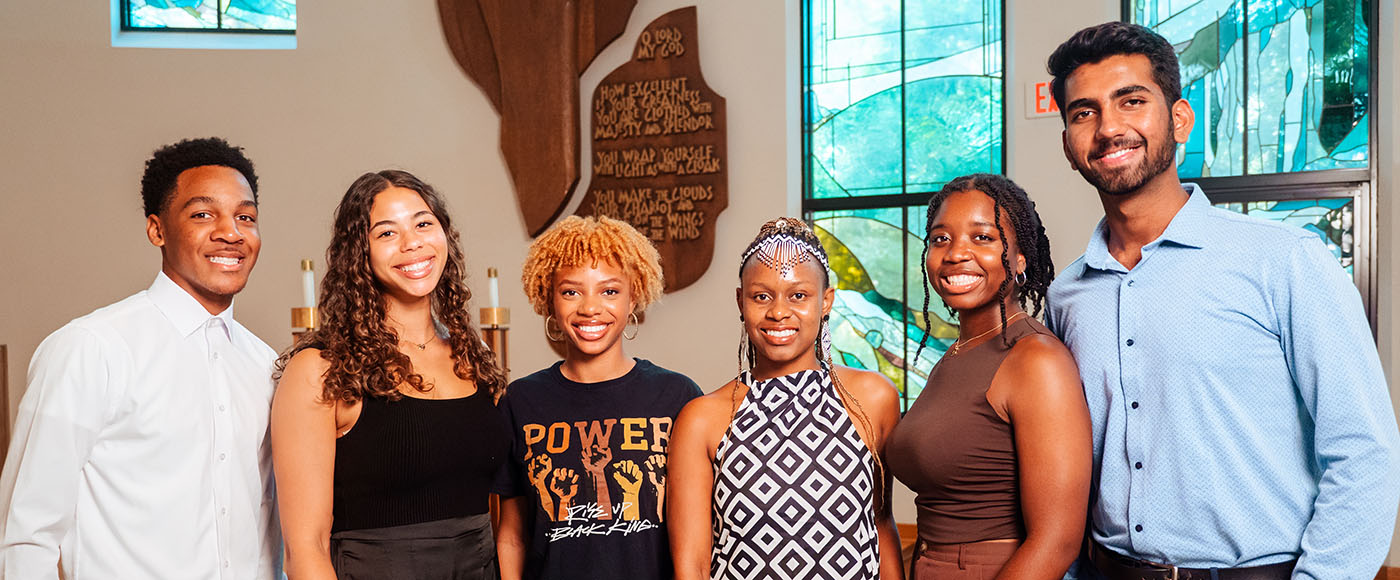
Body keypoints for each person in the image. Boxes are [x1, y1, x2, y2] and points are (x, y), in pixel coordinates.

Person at [1045, 21, 1400, 579]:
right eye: (1083, 112)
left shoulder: (1284, 261)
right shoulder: (1066, 296)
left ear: (1180, 119)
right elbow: (1065, 464)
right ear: (1068, 143)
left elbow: (1363, 451)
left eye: (1131, 101)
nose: (1109, 128)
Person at [0, 137, 281, 578]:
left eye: (245, 217)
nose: (231, 232)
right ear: (157, 229)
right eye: (203, 214)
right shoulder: (90, 349)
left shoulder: (266, 366)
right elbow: (24, 535)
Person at [272, 170, 508, 579]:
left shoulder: (474, 357)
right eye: (386, 233)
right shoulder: (321, 367)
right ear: (358, 253)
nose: (412, 243)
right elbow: (304, 549)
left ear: (444, 234)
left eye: (422, 223)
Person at [668, 217, 904, 580]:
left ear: (826, 301)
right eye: (761, 296)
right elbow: (693, 566)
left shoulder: (873, 399)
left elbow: (880, 524)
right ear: (740, 301)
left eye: (798, 295)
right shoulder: (702, 419)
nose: (779, 312)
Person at [886, 174, 1090, 579]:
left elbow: (1057, 541)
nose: (956, 253)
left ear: (1018, 259)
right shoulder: (958, 353)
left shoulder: (1035, 360)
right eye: (940, 239)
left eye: (982, 238)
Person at [495, 215, 702, 580]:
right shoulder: (522, 401)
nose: (590, 308)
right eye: (571, 291)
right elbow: (512, 535)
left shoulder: (676, 396)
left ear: (633, 296)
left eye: (609, 291)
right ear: (550, 299)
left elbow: (698, 534)